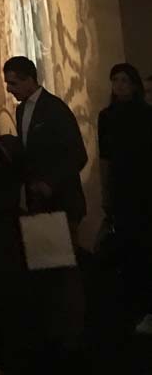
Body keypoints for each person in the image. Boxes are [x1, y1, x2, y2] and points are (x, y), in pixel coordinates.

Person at [97, 62, 152, 336]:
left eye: (124, 80)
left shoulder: (145, 114)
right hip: (121, 188)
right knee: (127, 245)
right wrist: (106, 191)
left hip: (144, 187)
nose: (119, 86)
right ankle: (130, 304)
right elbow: (105, 157)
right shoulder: (106, 116)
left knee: (143, 245)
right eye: (115, 80)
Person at [2, 55, 87, 227]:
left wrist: (50, 183)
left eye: (13, 83)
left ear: (29, 80)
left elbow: (77, 154)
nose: (9, 89)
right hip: (37, 202)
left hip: (61, 200)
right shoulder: (21, 110)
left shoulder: (55, 108)